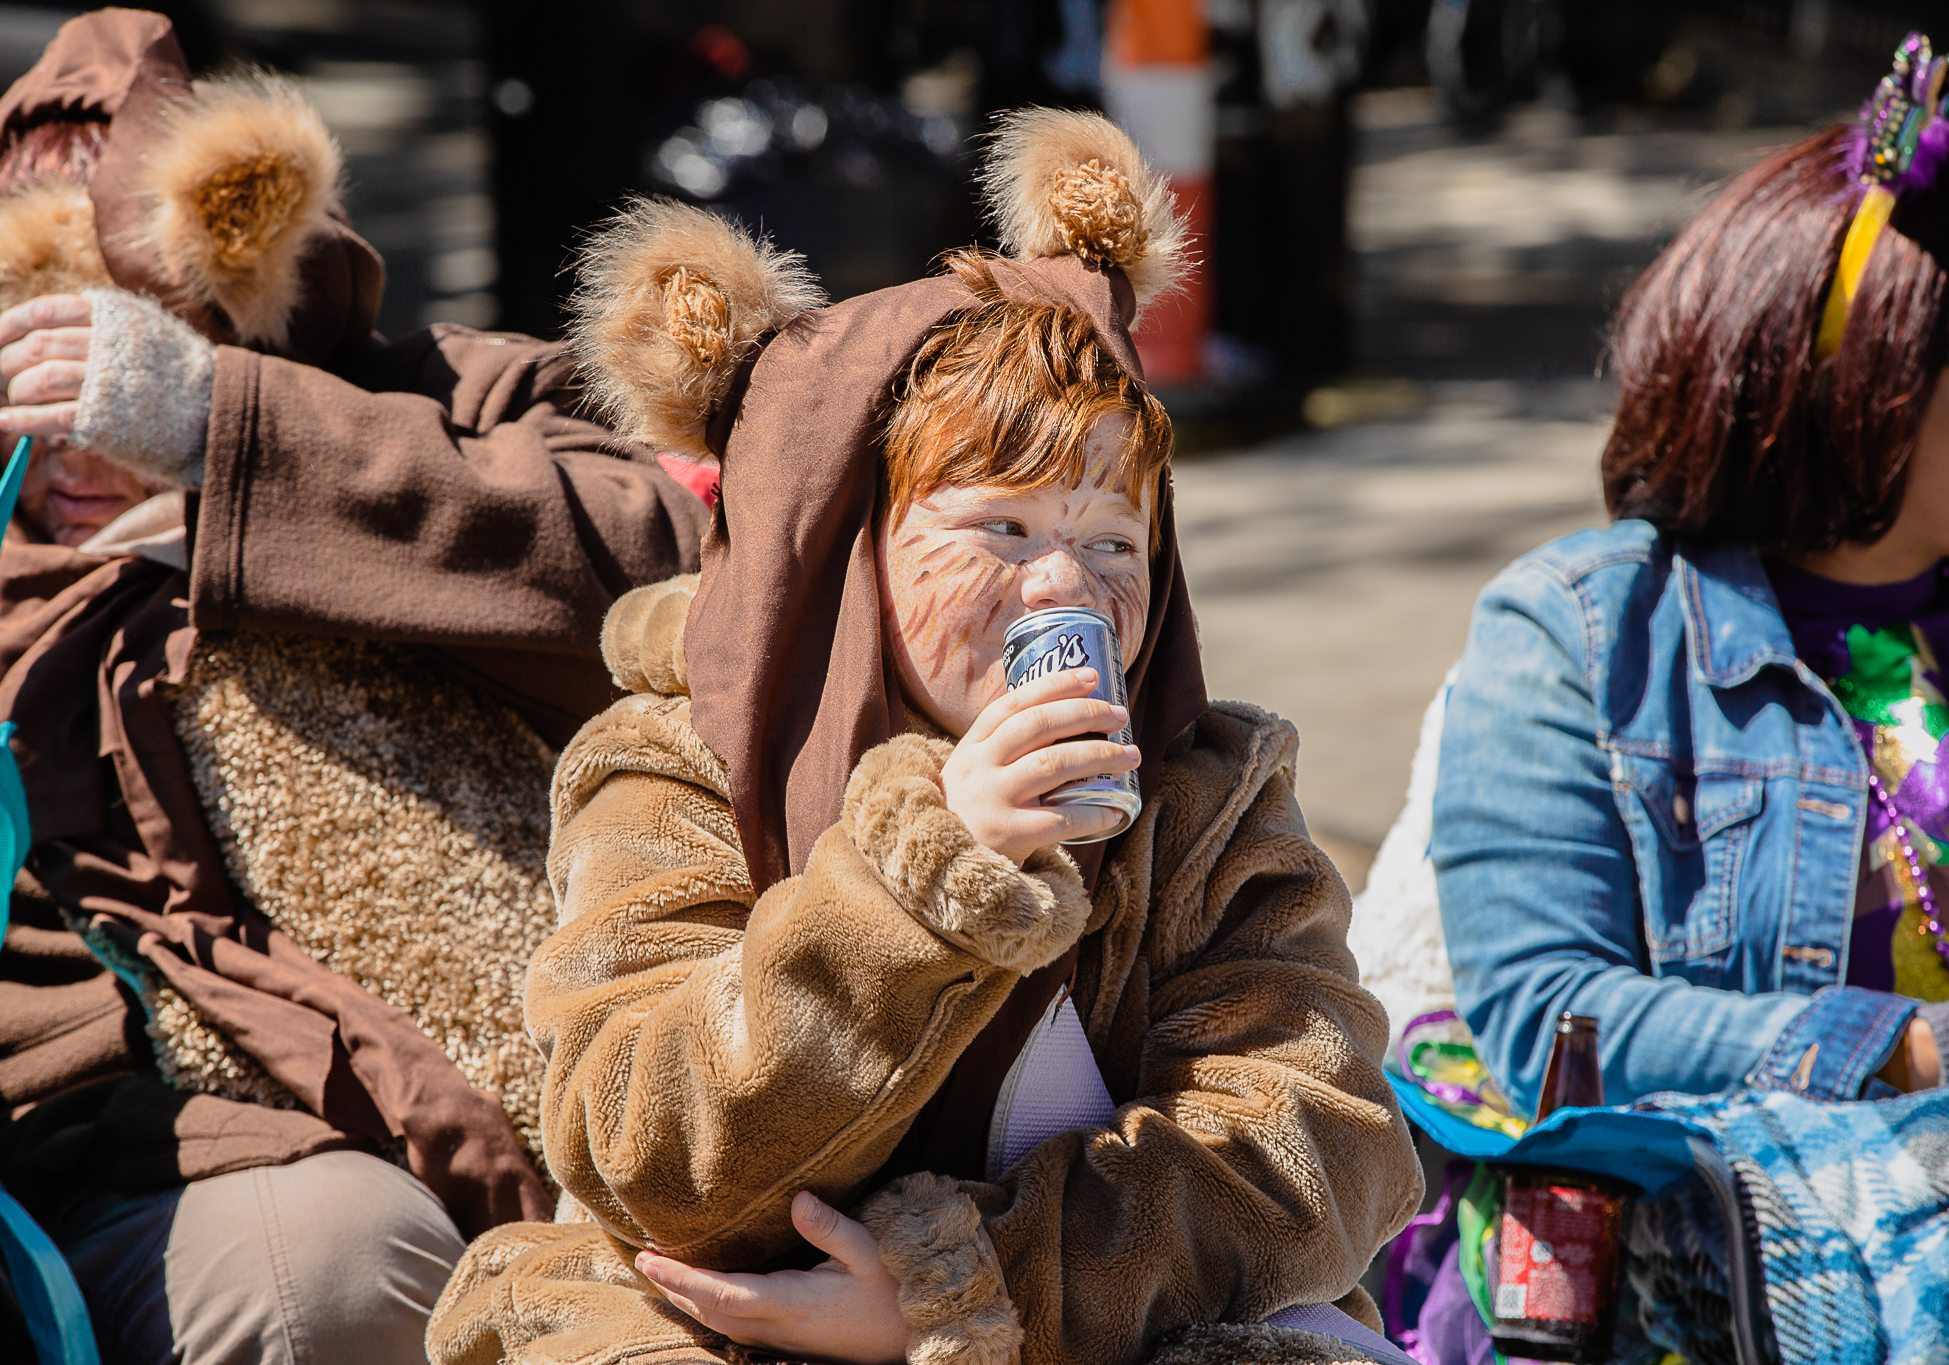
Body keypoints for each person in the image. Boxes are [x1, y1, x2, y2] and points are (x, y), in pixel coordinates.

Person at [427, 111, 1423, 1365]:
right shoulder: (681, 765)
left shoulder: (1203, 794)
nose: (1067, 587)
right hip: (728, 1315)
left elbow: (1318, 1143)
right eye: (1000, 531)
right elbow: (643, 1150)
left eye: (1112, 542)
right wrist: (921, 894)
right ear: (848, 557)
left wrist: (968, 1292)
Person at [0, 11, 710, 1363]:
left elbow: (674, 566)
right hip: (131, 1145)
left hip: (534, 1079)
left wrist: (225, 430)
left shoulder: (432, 396)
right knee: (330, 1264)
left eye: (110, 351)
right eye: (28, 356)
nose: (72, 424)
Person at [1431, 32, 1949, 1115]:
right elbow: (1546, 1016)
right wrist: (1943, 1049)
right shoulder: (1579, 634)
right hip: (1789, 1251)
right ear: (1873, 374)